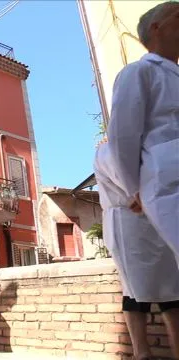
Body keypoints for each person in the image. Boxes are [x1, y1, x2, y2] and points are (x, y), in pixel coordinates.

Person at [107, 1, 179, 258]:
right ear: (156, 27)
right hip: (169, 181)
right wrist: (133, 188)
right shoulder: (139, 72)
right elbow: (122, 135)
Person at [95, 140, 179, 360]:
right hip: (128, 223)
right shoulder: (108, 149)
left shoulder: (152, 147)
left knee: (172, 289)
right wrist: (141, 192)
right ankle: (142, 353)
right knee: (134, 290)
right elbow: (125, 179)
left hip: (157, 220)